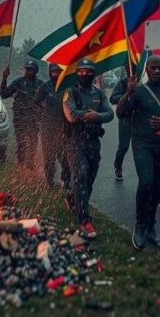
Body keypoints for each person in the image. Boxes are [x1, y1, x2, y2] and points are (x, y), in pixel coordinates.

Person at [116, 55, 160, 250]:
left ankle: (151, 224)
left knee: (157, 187)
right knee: (146, 182)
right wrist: (127, 94)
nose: (157, 71)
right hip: (143, 145)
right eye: (153, 68)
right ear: (147, 70)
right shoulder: (138, 91)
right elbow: (120, 113)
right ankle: (140, 225)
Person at [62, 58, 113, 239]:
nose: (85, 74)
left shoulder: (99, 94)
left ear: (93, 73)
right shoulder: (70, 92)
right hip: (75, 142)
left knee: (89, 178)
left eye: (88, 71)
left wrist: (97, 116)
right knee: (81, 175)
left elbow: (110, 113)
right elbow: (71, 114)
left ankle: (72, 198)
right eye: (81, 71)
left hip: (93, 142)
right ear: (77, 73)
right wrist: (89, 115)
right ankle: (84, 220)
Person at [1, 60, 45, 170]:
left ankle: (30, 163)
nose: (27, 71)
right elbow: (4, 94)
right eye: (26, 69)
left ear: (35, 71)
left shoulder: (40, 84)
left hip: (34, 118)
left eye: (30, 69)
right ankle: (20, 165)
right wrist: (4, 79)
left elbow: (45, 102)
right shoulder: (18, 82)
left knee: (33, 141)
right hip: (20, 118)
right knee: (21, 141)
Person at [34, 63, 71, 188]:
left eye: (58, 72)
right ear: (50, 72)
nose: (55, 74)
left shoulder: (67, 87)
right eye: (53, 72)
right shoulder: (45, 86)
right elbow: (36, 101)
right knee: (49, 157)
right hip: (48, 127)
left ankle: (65, 181)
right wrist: (44, 110)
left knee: (64, 157)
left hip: (63, 127)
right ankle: (50, 182)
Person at [109, 67, 132, 181]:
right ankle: (118, 165)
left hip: (141, 119)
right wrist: (127, 94)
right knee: (124, 146)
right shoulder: (123, 82)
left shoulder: (145, 83)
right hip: (126, 117)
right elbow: (113, 98)